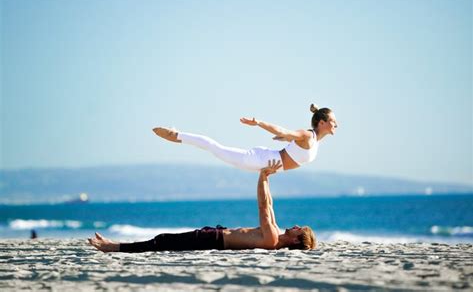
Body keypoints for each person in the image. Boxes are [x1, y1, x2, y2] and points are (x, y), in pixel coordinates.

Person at [88, 160, 316, 252]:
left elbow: (263, 208)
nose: (295, 225)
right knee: (164, 240)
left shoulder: (272, 240)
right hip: (215, 234)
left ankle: (112, 247)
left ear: (296, 239)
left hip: (213, 240)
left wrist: (261, 175)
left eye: (299, 228)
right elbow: (270, 205)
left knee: (163, 240)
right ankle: (113, 245)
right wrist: (267, 177)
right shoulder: (275, 233)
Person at [153, 104, 337, 173]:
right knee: (214, 147)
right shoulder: (307, 136)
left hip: (266, 160)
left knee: (215, 148)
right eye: (333, 122)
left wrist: (318, 110)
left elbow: (293, 144)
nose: (336, 125)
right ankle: (176, 135)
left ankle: (178, 135)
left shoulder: (314, 139)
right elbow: (282, 129)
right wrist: (259, 122)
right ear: (321, 123)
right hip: (260, 160)